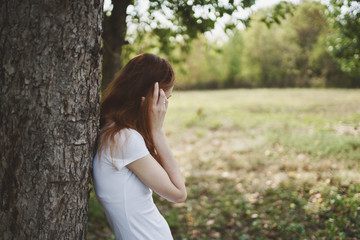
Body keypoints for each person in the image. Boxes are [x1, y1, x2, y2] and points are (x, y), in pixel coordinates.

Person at [92, 53, 187, 240]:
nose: (165, 106)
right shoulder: (124, 139)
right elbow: (179, 194)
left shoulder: (110, 130)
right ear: (147, 97)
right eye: (162, 99)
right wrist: (157, 132)